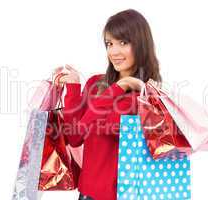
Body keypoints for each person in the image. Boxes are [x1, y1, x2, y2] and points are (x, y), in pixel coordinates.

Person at [53, 9, 162, 200]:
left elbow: (102, 124)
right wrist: (73, 88)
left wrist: (121, 86)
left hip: (122, 196)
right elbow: (75, 136)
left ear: (141, 45)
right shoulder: (96, 84)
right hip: (86, 194)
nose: (114, 51)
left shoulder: (146, 98)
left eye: (123, 43)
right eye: (109, 43)